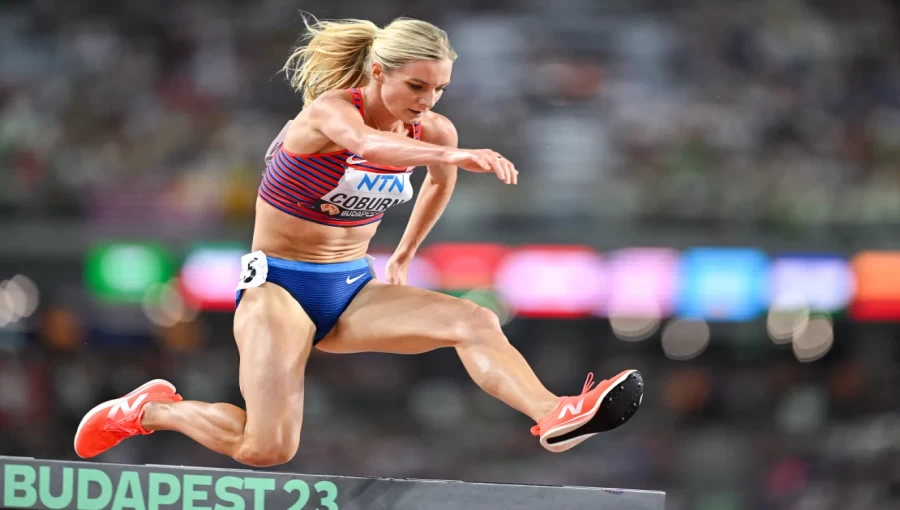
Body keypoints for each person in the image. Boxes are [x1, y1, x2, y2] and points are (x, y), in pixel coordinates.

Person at [74, 15, 644, 467]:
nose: (426, 101)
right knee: (266, 449)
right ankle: (149, 410)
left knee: (475, 322)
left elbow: (438, 185)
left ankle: (555, 414)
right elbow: (372, 149)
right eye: (415, 85)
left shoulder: (431, 128)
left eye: (438, 89)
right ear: (376, 72)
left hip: (351, 286)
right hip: (280, 288)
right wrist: (452, 154)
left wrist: (404, 253)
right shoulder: (329, 114)